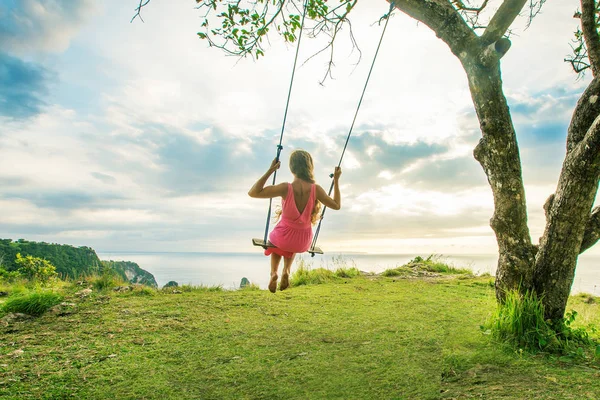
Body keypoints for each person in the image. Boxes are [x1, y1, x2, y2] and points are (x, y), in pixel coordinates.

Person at [248, 150, 342, 293]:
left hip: (283, 237)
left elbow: (253, 193)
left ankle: (274, 273)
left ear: (292, 168)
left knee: (276, 239)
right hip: (302, 241)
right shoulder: (315, 189)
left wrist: (271, 170)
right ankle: (287, 270)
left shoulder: (286, 188)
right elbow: (336, 205)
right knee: (291, 241)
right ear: (310, 167)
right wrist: (336, 180)